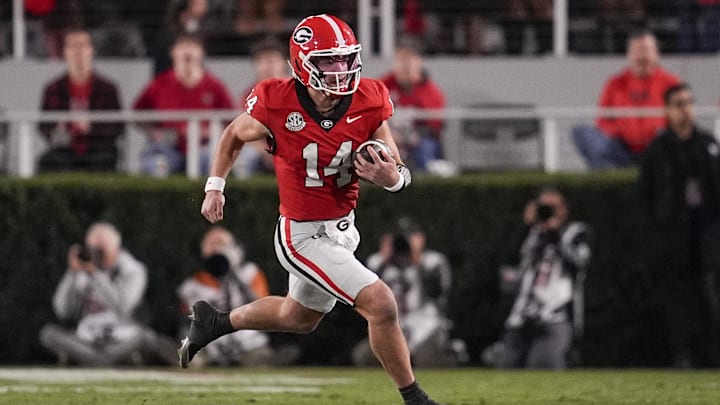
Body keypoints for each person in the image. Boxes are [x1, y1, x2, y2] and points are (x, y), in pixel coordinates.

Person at [180, 14, 440, 405]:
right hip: (301, 234)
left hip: (341, 230)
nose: (341, 71)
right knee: (382, 304)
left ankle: (213, 323)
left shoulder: (369, 98)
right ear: (303, 63)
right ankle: (415, 398)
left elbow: (398, 169)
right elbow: (233, 133)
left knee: (296, 318)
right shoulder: (276, 100)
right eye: (328, 62)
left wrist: (392, 178)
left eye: (345, 60)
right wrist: (215, 186)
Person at [639, 83, 720, 368]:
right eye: (679, 103)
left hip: (707, 240)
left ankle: (712, 357)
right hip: (674, 241)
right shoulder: (657, 151)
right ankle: (682, 357)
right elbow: (647, 196)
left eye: (688, 102)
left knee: (710, 301)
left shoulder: (708, 145)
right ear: (667, 110)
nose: (685, 109)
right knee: (677, 304)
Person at [39, 222, 177, 366]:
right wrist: (71, 273)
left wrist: (96, 275)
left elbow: (123, 307)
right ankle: (108, 360)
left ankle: (88, 359)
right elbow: (62, 311)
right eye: (92, 249)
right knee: (48, 334)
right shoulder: (82, 271)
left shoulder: (133, 270)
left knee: (145, 337)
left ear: (116, 248)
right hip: (87, 339)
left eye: (100, 250)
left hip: (121, 338)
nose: (96, 255)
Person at [492, 188, 591, 369]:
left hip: (555, 316)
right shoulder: (531, 233)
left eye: (552, 207)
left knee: (544, 367)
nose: (548, 212)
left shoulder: (574, 232)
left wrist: (555, 233)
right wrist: (526, 225)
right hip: (521, 315)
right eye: (543, 207)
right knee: (507, 370)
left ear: (564, 209)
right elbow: (506, 263)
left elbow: (579, 264)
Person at [351, 218, 467, 368]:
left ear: (421, 239)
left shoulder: (433, 261)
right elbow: (364, 296)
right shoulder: (378, 262)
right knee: (363, 357)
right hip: (392, 325)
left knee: (428, 362)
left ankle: (452, 350)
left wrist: (418, 261)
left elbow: (438, 294)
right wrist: (385, 260)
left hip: (425, 327)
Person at [177, 226, 299, 366]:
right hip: (211, 344)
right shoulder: (192, 284)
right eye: (211, 244)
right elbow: (190, 320)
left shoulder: (250, 273)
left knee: (258, 356)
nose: (216, 249)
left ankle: (262, 359)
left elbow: (262, 306)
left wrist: (233, 273)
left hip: (246, 340)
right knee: (195, 353)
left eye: (221, 244)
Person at [571, 30, 680, 169]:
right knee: (581, 133)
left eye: (646, 50)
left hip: (658, 148)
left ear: (656, 53)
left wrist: (658, 132)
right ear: (629, 54)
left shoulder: (671, 83)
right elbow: (602, 120)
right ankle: (612, 177)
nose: (642, 56)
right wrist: (621, 132)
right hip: (621, 149)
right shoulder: (615, 82)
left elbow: (681, 118)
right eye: (637, 51)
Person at [133, 34, 234, 176]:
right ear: (173, 52)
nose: (188, 51)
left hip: (204, 148)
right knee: (154, 163)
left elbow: (231, 120)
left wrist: (208, 132)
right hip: (167, 148)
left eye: (193, 46)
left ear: (202, 52)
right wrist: (154, 131)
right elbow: (138, 114)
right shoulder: (159, 84)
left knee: (214, 163)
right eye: (182, 46)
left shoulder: (214, 86)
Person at [38, 28, 124, 172]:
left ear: (91, 50)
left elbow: (117, 126)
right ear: (65, 52)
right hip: (64, 149)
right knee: (50, 161)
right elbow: (44, 125)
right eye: (73, 46)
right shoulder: (53, 88)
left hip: (98, 148)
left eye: (83, 46)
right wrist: (64, 129)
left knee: (103, 160)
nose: (78, 52)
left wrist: (91, 128)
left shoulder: (107, 88)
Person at [380, 38, 446, 173]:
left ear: (419, 62)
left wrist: (409, 138)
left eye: (409, 60)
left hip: (418, 141)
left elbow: (434, 127)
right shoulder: (383, 85)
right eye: (400, 60)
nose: (404, 65)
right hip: (389, 137)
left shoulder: (431, 92)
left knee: (425, 149)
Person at [233, 37, 289, 178]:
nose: (267, 67)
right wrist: (264, 151)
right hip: (260, 150)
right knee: (245, 158)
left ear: (284, 63)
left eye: (271, 61)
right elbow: (243, 131)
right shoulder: (249, 95)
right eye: (261, 62)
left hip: (294, 148)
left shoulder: (298, 91)